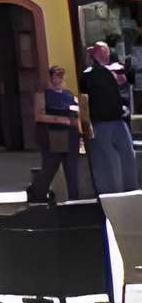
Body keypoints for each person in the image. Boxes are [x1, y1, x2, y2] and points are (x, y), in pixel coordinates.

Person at [27, 66, 91, 203]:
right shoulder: (43, 94)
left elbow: (78, 114)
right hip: (52, 134)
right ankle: (37, 193)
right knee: (50, 166)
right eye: (57, 74)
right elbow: (39, 116)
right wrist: (61, 120)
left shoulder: (69, 95)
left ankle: (75, 199)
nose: (60, 77)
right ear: (50, 77)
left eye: (62, 74)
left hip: (70, 135)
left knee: (72, 167)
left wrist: (79, 124)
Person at [83, 41, 137, 194]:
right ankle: (113, 195)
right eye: (101, 50)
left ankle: (131, 192)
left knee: (128, 156)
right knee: (109, 161)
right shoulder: (89, 73)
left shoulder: (116, 70)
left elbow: (129, 81)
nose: (105, 53)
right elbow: (85, 95)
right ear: (94, 54)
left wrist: (122, 75)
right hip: (101, 123)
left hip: (119, 121)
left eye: (106, 50)